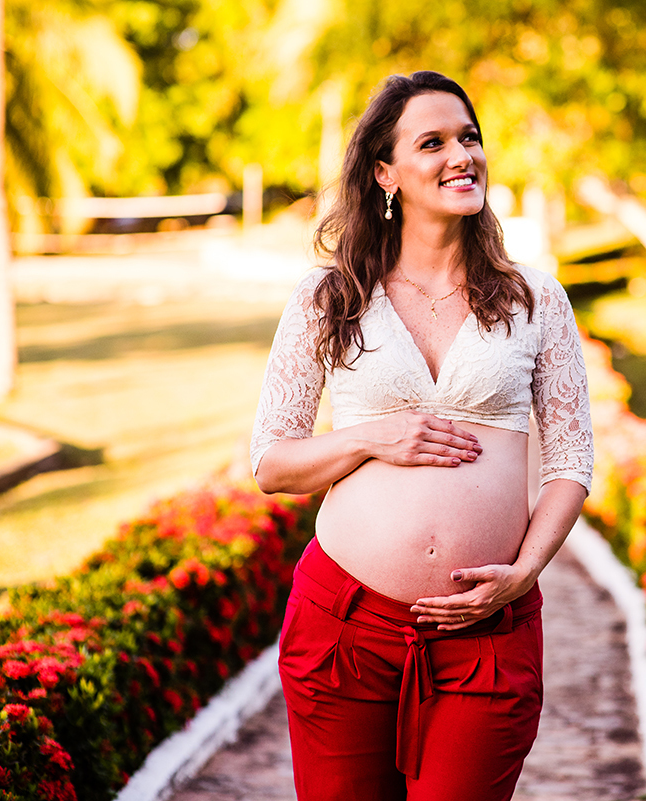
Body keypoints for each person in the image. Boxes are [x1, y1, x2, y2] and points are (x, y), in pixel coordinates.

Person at [249, 70, 593, 801]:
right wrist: (373, 438)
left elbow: (571, 461)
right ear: (385, 172)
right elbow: (272, 462)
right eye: (432, 142)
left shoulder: (536, 300)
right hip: (343, 626)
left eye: (468, 138)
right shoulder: (328, 297)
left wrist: (525, 571)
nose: (459, 155)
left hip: (488, 633)